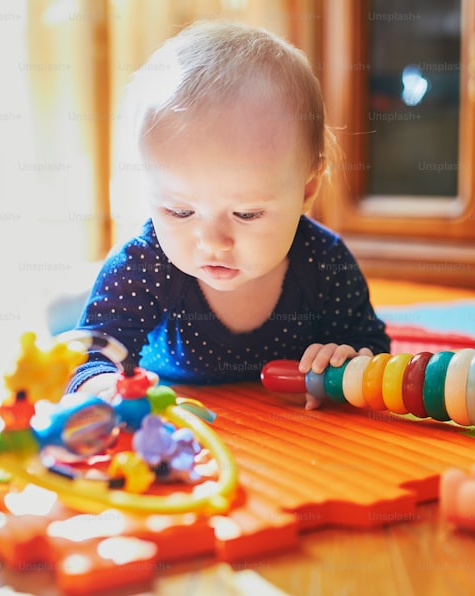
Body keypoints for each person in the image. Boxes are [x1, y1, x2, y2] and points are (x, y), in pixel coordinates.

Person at [68, 20, 390, 409]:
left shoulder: (325, 263)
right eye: (179, 211)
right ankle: (69, 299)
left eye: (247, 213)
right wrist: (103, 387)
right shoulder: (144, 264)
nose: (212, 242)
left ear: (307, 188)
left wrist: (346, 363)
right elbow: (89, 355)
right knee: (77, 315)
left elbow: (373, 349)